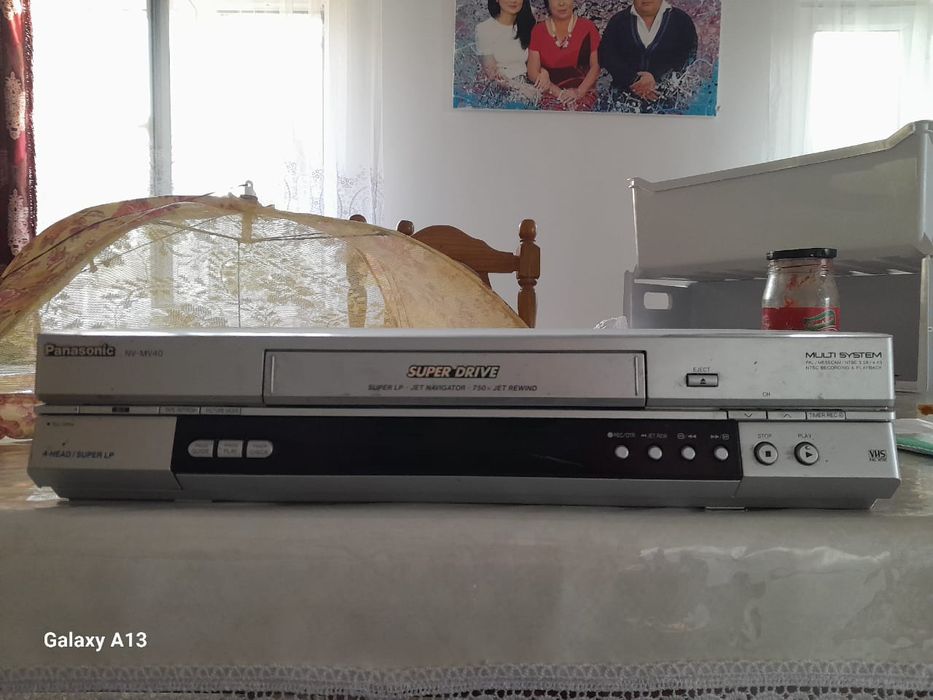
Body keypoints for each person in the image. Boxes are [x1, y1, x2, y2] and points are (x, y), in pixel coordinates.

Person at [598, 0, 697, 106]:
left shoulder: (681, 21)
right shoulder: (618, 21)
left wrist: (655, 78)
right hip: (622, 102)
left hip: (667, 102)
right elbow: (607, 56)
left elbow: (687, 57)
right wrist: (634, 79)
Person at [526, 0, 601, 111]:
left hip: (583, 92)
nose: (562, 3)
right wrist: (559, 93)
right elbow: (532, 72)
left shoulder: (588, 27)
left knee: (580, 111)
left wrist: (579, 92)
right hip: (551, 92)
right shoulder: (538, 31)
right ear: (547, 3)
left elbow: (596, 66)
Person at [475, 0, 538, 98]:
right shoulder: (484, 29)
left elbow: (535, 61)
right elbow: (491, 73)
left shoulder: (528, 24)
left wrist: (544, 73)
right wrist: (520, 88)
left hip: (527, 84)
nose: (513, 1)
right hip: (500, 90)